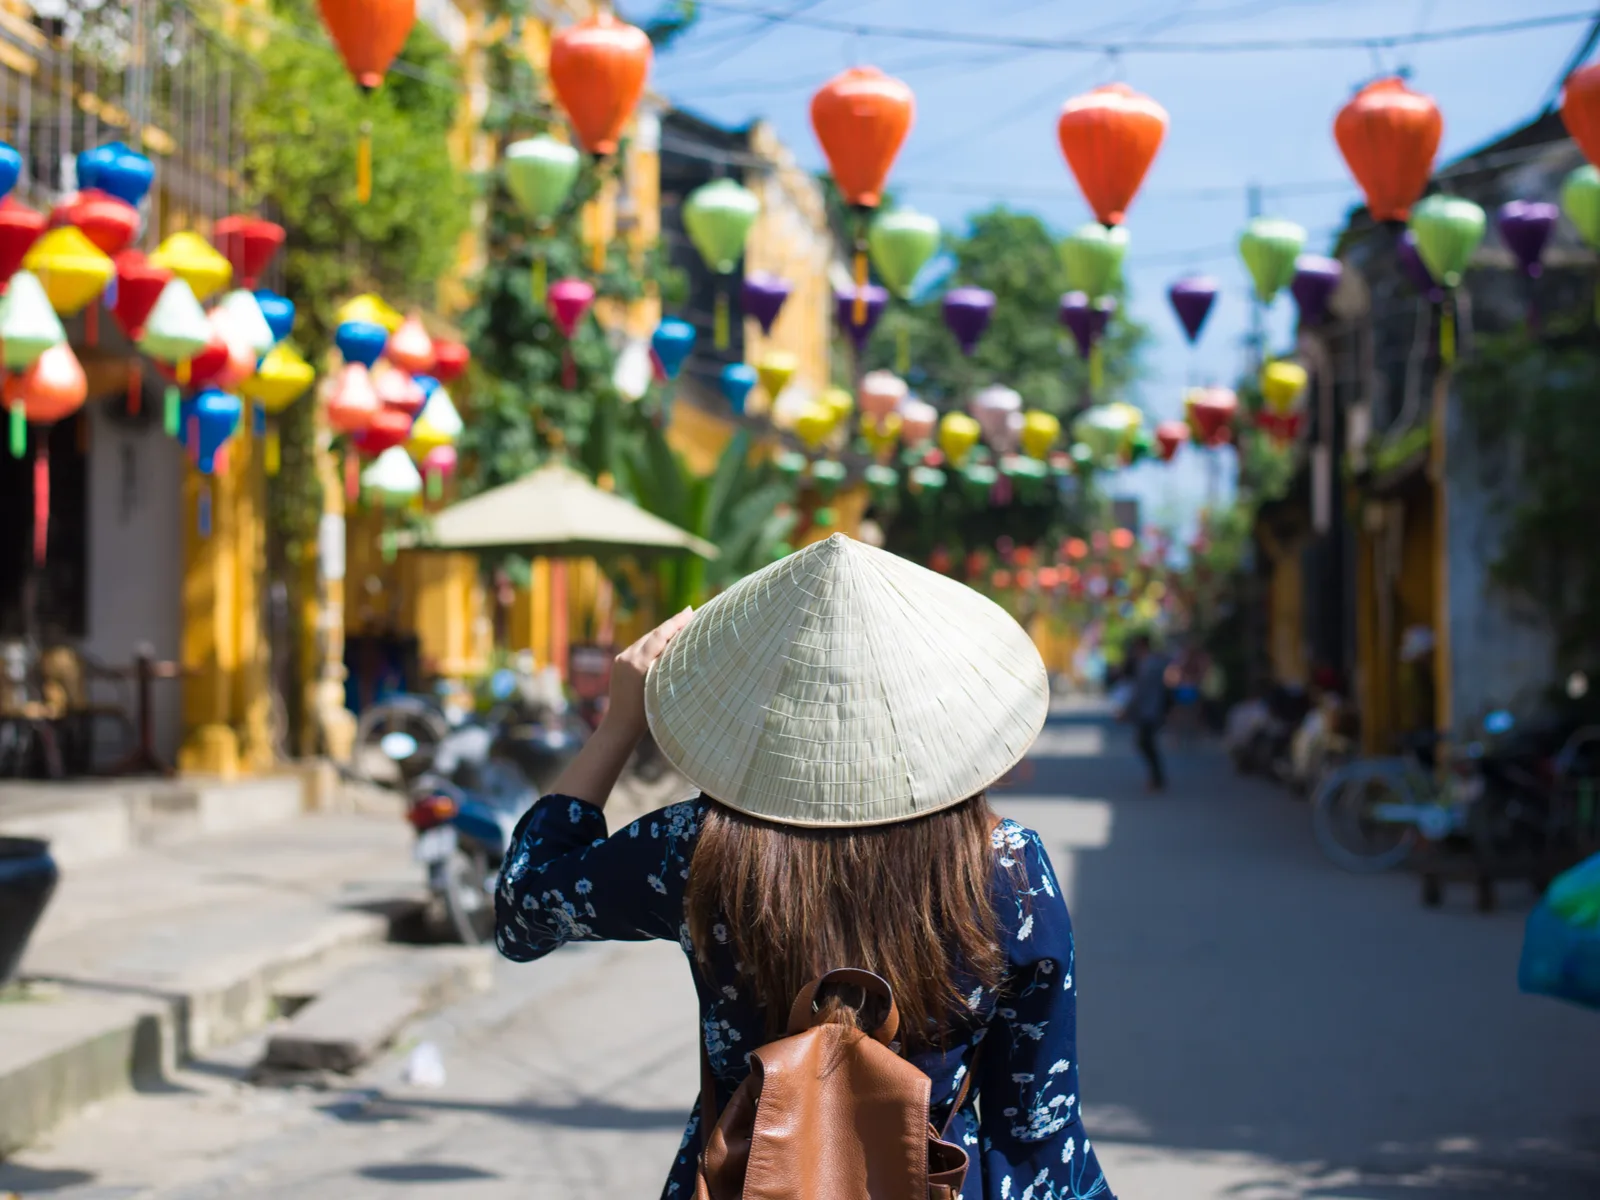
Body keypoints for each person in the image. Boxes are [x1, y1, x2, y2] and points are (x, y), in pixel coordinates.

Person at [495, 534, 1116, 1200]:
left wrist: (619, 723)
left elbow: (523, 912)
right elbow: (1040, 1133)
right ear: (939, 712)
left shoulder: (693, 846)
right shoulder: (1010, 869)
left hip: (744, 1178)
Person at [1125, 633, 1171, 791]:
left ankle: (1157, 778)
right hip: (1151, 709)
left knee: (1145, 743)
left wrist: (1128, 710)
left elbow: (1140, 691)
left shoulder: (1148, 665)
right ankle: (1157, 777)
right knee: (1146, 743)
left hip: (1149, 710)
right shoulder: (1153, 662)